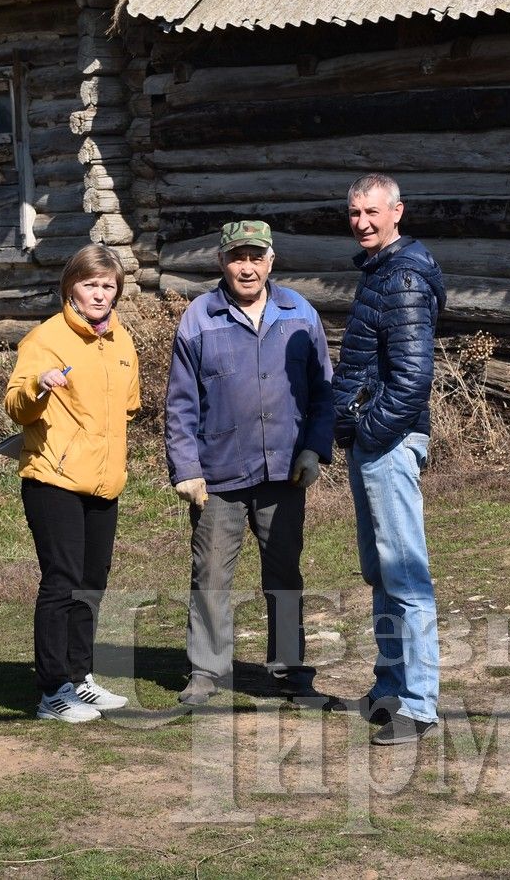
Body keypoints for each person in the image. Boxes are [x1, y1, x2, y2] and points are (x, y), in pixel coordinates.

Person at [165, 220, 338, 708]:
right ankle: (205, 672)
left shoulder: (298, 311)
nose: (247, 266)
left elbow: (323, 390)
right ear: (222, 261)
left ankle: (291, 671)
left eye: (256, 256)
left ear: (271, 260)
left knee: (284, 572)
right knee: (211, 574)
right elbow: (180, 403)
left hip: (286, 469)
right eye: (237, 257)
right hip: (218, 474)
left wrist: (314, 448)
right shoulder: (200, 317)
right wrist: (186, 468)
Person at [332, 174, 447, 745]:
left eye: (372, 211)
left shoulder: (402, 276)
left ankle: (420, 705)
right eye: (354, 213)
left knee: (406, 574)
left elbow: (411, 380)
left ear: (397, 211)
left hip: (390, 443)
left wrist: (369, 431)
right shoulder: (382, 270)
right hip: (373, 443)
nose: (362, 222)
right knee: (381, 570)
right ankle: (391, 685)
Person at [4, 244, 140, 723]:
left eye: (108, 285)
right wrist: (39, 386)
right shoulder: (44, 339)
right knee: (61, 582)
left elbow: (127, 408)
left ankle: (80, 678)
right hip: (53, 477)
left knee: (91, 583)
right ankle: (52, 690)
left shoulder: (123, 343)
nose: (100, 294)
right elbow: (16, 405)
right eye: (90, 284)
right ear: (70, 288)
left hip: (104, 481)